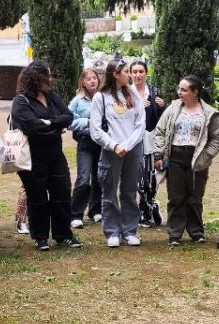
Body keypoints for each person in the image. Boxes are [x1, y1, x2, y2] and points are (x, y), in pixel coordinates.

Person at [10, 61, 82, 251]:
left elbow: (68, 116)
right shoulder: (21, 101)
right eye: (46, 76)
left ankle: (63, 235)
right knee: (38, 197)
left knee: (62, 193)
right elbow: (31, 126)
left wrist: (49, 123)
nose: (50, 80)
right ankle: (40, 237)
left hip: (55, 154)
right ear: (35, 78)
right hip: (34, 157)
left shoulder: (51, 96)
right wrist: (56, 126)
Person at [153, 75, 219, 245]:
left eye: (184, 90)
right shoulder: (172, 109)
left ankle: (196, 231)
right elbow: (160, 131)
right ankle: (175, 233)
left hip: (197, 158)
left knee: (195, 196)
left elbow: (217, 138)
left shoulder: (208, 113)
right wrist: (158, 154)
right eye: (180, 89)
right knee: (176, 196)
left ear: (195, 92)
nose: (180, 92)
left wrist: (206, 156)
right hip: (175, 157)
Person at [90, 60, 144, 248]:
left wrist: (128, 145)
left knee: (129, 191)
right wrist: (114, 145)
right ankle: (112, 231)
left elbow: (140, 124)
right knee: (109, 191)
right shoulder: (101, 98)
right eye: (126, 72)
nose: (130, 75)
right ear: (115, 74)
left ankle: (130, 231)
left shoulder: (133, 94)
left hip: (133, 148)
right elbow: (96, 129)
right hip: (111, 149)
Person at [129, 61, 165, 227]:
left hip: (151, 140)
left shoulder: (155, 91)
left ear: (146, 73)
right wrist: (137, 107)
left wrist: (162, 106)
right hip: (134, 140)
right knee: (138, 179)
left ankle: (150, 207)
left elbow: (162, 118)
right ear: (130, 74)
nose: (138, 75)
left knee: (151, 179)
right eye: (134, 72)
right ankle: (145, 211)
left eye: (141, 71)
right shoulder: (127, 93)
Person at [68, 68, 103, 228]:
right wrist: (86, 122)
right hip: (86, 142)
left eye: (94, 78)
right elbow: (68, 120)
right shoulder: (77, 101)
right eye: (88, 79)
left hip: (102, 143)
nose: (92, 81)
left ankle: (95, 210)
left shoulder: (103, 97)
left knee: (99, 178)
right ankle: (75, 214)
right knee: (83, 178)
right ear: (83, 81)